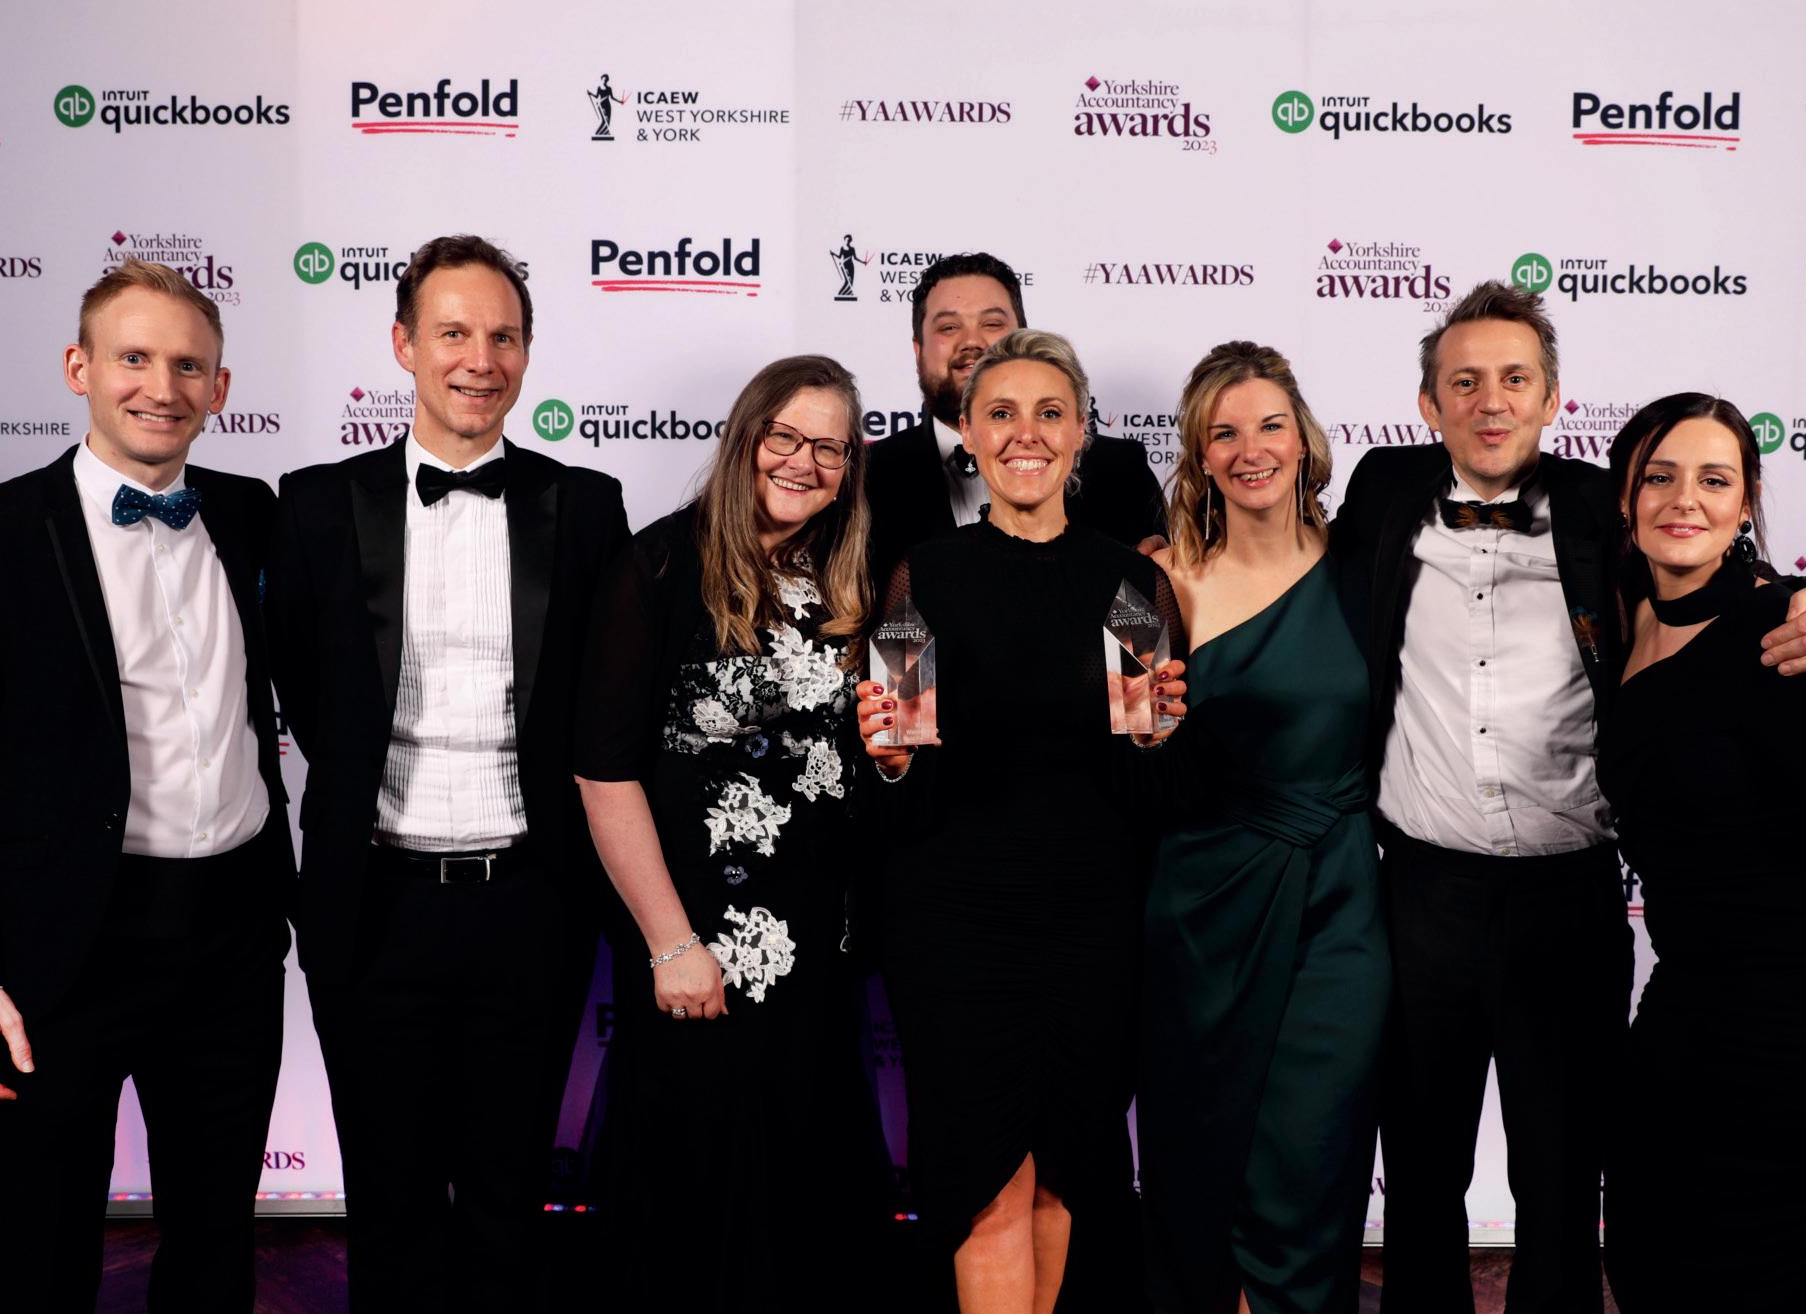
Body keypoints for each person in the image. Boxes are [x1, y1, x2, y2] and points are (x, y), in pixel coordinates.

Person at [1327, 280, 1806, 1314]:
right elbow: (1269, 555)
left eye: (1515, 378)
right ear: (1427, 404)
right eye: (1465, 381)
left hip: (1570, 903)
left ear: (1553, 399)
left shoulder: (1613, 508)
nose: (1490, 401)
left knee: (1562, 1186)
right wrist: (1155, 565)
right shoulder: (1381, 489)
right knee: (1418, 1175)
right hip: (1418, 897)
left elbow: (1737, 588)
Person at [266, 234, 630, 1312]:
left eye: (503, 337)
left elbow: (604, 700)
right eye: (454, 333)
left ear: (528, 353)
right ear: (404, 344)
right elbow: (306, 686)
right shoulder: (316, 503)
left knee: (511, 1197)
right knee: (390, 1201)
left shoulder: (586, 506)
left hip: (531, 901)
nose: (480, 359)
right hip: (372, 901)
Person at [0, 258, 292, 1310]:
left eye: (189, 366)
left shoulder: (253, 514)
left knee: (216, 1239)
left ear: (221, 388)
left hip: (232, 934)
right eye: (134, 357)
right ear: (78, 367)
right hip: (59, 945)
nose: (161, 387)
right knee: (38, 1247)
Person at [856, 329, 1188, 1314]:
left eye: (1049, 412)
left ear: (1082, 431)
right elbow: (897, 771)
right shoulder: (920, 575)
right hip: (955, 927)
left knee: (1063, 1175)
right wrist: (889, 757)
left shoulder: (1131, 584)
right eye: (1000, 413)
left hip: (1091, 924)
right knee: (985, 1182)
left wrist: (1157, 741)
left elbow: (1151, 785)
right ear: (967, 432)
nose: (1026, 434)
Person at [1597, 394, 1806, 1311]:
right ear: (1623, 496)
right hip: (1679, 1019)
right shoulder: (1621, 617)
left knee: (1756, 1290)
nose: (1683, 499)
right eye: (1658, 476)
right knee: (1645, 1273)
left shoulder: (1798, 633)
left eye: (1714, 480)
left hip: (1795, 1046)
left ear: (1745, 503)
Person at [574, 354, 885, 1308]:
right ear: (745, 438)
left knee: (804, 1201)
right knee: (696, 1199)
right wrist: (671, 944)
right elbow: (604, 772)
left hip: (817, 959)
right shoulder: (659, 567)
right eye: (783, 436)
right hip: (698, 953)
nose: (803, 462)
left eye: (828, 447)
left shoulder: (852, 586)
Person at [1138, 342, 1387, 1314]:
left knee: (1312, 1148)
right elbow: (1128, 761)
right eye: (1225, 433)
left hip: (1339, 899)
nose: (1252, 450)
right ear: (1200, 456)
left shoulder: (1368, 566)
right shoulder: (1151, 582)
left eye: (1270, 425)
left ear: (1304, 438)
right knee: (1203, 1155)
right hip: (1203, 903)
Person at [865, 251, 1166, 584]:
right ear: (918, 349)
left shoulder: (1122, 470)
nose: (972, 341)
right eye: (949, 327)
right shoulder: (868, 477)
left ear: (1022, 336)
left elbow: (1155, 592)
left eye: (992, 324)